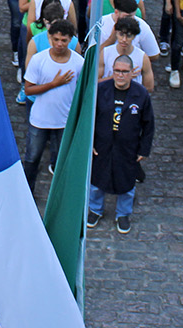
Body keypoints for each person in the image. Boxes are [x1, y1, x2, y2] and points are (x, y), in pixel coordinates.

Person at [90, 53, 155, 233]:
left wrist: (144, 149)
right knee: (97, 180)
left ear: (132, 73)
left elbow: (148, 124)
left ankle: (123, 214)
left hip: (128, 148)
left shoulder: (141, 94)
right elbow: (90, 118)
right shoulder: (100, 90)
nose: (120, 75)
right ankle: (95, 210)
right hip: (102, 145)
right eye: (117, 71)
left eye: (125, 72)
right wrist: (91, 143)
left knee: (127, 181)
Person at [23, 18, 79, 186]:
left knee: (63, 162)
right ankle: (28, 193)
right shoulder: (38, 60)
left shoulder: (79, 63)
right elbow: (28, 89)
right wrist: (53, 84)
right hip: (40, 119)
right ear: (49, 38)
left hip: (65, 121)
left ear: (70, 40)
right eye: (56, 39)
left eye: (64, 40)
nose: (59, 44)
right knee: (32, 158)